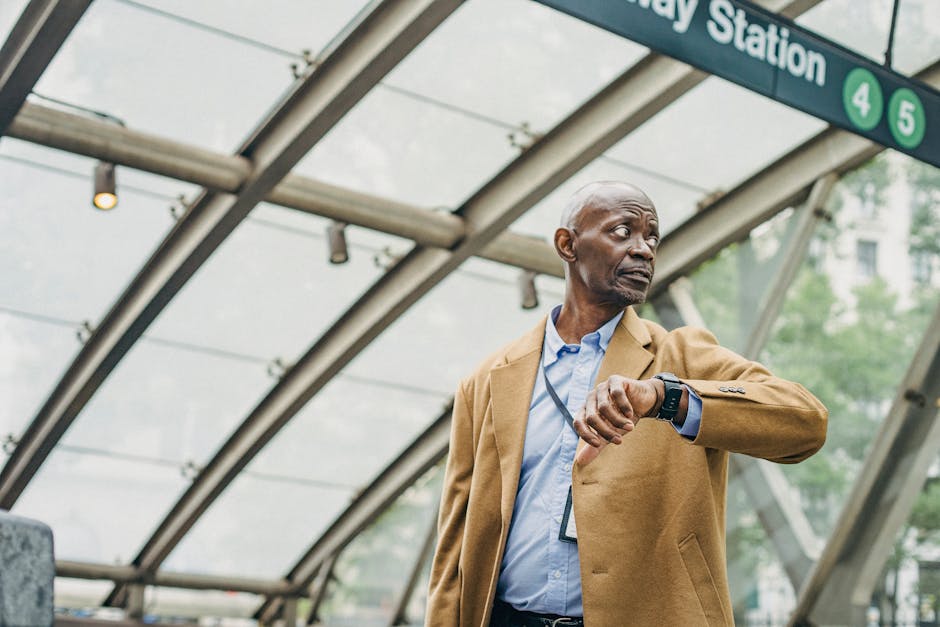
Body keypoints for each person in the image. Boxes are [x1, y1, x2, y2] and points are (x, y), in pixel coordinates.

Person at [426, 181, 828, 627]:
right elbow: (455, 549)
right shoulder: (486, 381)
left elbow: (804, 421)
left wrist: (666, 397)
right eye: (623, 232)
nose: (644, 250)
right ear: (568, 244)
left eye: (651, 237)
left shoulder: (680, 355)